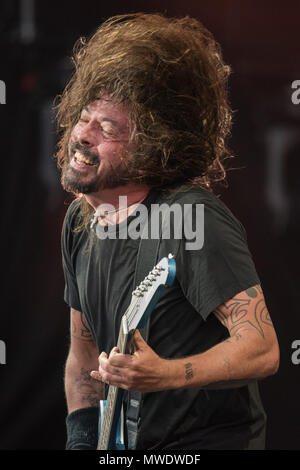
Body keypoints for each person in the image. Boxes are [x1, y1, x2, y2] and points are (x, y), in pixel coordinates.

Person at [56, 13, 280, 450]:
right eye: (85, 117)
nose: (82, 135)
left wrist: (168, 375)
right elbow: (83, 357)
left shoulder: (193, 218)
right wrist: (83, 442)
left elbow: (263, 347)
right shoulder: (81, 220)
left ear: (151, 149)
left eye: (107, 129)